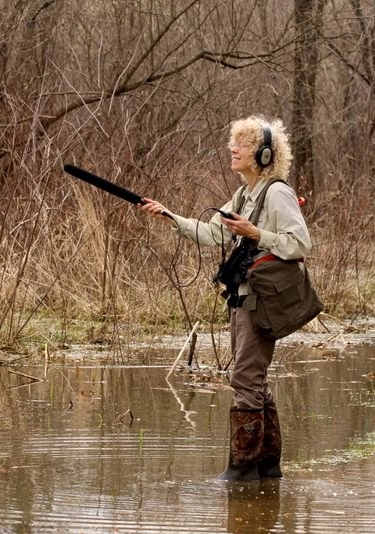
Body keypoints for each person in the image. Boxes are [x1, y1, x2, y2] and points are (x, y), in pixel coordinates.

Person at [140, 116, 312, 481]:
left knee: (246, 380)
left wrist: (256, 232)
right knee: (254, 380)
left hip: (262, 301)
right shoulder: (243, 195)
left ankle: (242, 468)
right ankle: (268, 466)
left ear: (264, 154)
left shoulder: (276, 192)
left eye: (243, 145)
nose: (233, 149)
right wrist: (170, 216)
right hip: (243, 298)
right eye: (234, 143)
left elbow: (300, 244)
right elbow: (213, 234)